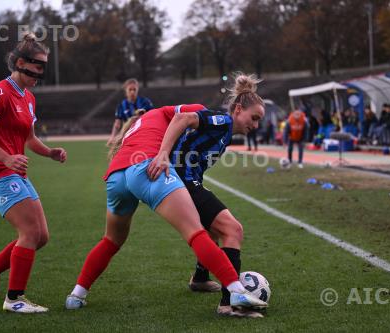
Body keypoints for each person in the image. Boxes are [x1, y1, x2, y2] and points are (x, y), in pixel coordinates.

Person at [65, 100, 267, 314]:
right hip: (146, 169)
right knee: (197, 232)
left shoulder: (137, 125)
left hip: (117, 176)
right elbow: (184, 116)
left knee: (111, 240)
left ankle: (76, 295)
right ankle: (235, 291)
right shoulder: (165, 113)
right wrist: (163, 153)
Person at [147, 73, 266, 317]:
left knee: (213, 230)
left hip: (186, 180)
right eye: (254, 118)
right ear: (238, 109)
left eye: (258, 122)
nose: (255, 125)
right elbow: (182, 118)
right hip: (181, 179)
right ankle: (229, 303)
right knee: (233, 230)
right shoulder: (222, 120)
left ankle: (200, 278)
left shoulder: (226, 131)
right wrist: (162, 154)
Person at [0, 33, 67, 313]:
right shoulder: (0, 92)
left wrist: (49, 152)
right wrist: (6, 158)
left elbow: (30, 139)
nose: (41, 73)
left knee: (42, 237)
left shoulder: (29, 98)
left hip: (16, 175)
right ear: (21, 63)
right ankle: (15, 299)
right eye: (38, 66)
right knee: (29, 232)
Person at [107, 78, 153, 146]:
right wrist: (112, 136)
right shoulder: (121, 105)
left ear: (137, 89)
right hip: (128, 135)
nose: (132, 92)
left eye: (134, 89)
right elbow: (117, 123)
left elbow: (152, 116)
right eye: (130, 89)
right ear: (125, 90)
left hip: (143, 134)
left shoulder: (145, 102)